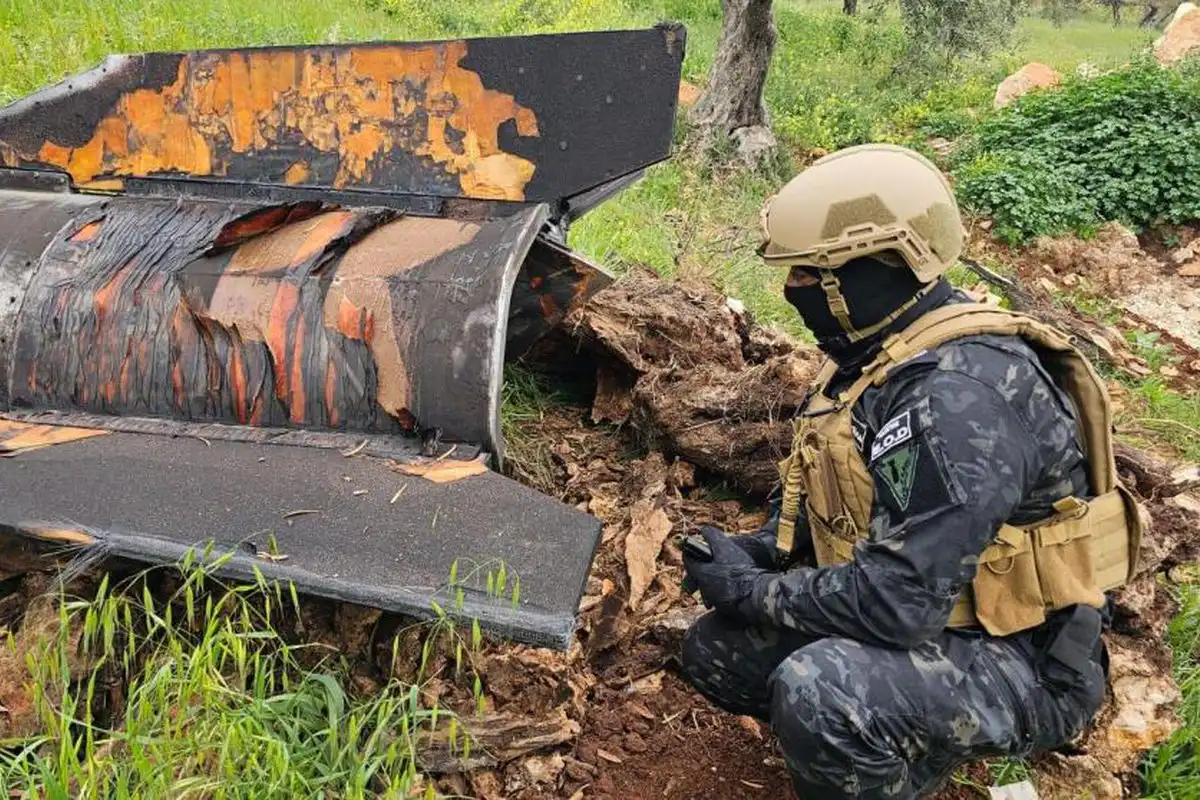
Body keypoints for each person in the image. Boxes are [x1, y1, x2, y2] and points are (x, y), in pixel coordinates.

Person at [678, 143, 1142, 799]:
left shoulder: (956, 398)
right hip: (938, 610)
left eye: (812, 274)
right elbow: (839, 502)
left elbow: (898, 605)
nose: (793, 289)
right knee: (717, 652)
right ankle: (900, 747)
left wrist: (750, 591)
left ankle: (898, 751)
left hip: (1025, 658)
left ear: (880, 268)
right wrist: (756, 551)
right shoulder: (882, 352)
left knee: (823, 693)